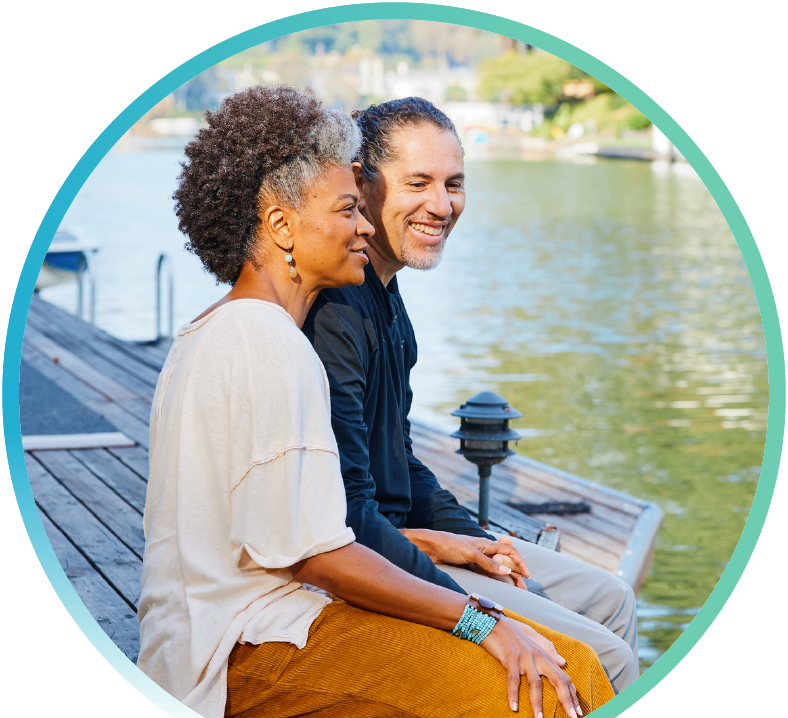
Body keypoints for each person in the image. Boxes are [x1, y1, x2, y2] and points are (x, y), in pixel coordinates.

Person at [137, 85, 614, 718]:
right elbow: (322, 556)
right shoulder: (266, 342)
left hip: (252, 630)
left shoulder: (221, 328)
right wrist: (482, 623)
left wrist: (457, 551)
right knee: (565, 675)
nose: (364, 224)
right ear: (281, 225)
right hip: (247, 651)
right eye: (345, 210)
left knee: (557, 661)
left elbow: (297, 537)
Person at [302, 97, 639, 694]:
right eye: (419, 183)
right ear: (364, 183)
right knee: (601, 655)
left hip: (409, 540)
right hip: (378, 562)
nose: (442, 204)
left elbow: (399, 458)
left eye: (454, 183)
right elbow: (345, 517)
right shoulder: (334, 310)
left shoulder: (386, 296)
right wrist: (457, 571)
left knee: (610, 597)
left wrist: (483, 542)